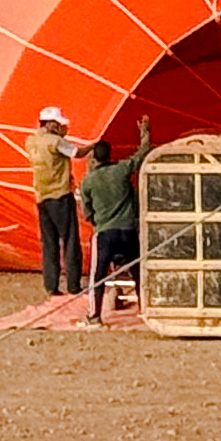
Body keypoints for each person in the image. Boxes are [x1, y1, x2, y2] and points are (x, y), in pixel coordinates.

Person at [82, 118, 147, 320]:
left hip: (105, 233)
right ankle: (146, 309)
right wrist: (145, 131)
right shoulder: (122, 169)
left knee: (97, 276)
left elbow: (87, 211)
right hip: (128, 231)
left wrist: (97, 222)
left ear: (93, 158)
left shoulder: (89, 181)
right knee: (138, 272)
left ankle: (94, 316)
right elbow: (142, 153)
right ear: (110, 154)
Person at [28, 105, 84, 296]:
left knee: (49, 243)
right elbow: (77, 153)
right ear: (51, 124)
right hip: (60, 195)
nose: (62, 128)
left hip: (42, 197)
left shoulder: (31, 141)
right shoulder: (55, 142)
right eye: (59, 124)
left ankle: (51, 285)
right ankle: (73, 285)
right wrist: (96, 145)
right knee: (70, 242)